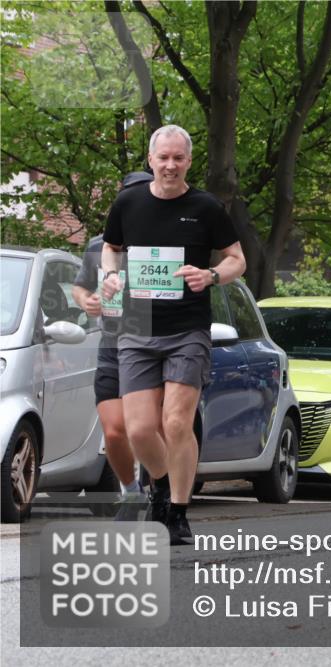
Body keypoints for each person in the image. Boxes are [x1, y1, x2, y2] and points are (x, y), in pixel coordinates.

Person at [101, 125, 246, 544]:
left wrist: (212, 275)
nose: (169, 165)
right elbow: (112, 246)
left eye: (177, 158)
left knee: (177, 422)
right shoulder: (128, 202)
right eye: (163, 157)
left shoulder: (206, 207)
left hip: (187, 328)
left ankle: (178, 513)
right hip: (138, 326)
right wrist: (110, 274)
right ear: (150, 160)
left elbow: (238, 260)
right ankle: (161, 485)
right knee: (140, 429)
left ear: (188, 161)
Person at [72, 171, 154, 521]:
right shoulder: (97, 245)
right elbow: (80, 288)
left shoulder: (166, 244)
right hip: (112, 344)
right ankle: (132, 492)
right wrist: (87, 301)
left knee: (147, 428)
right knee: (115, 429)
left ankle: (159, 490)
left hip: (156, 345)